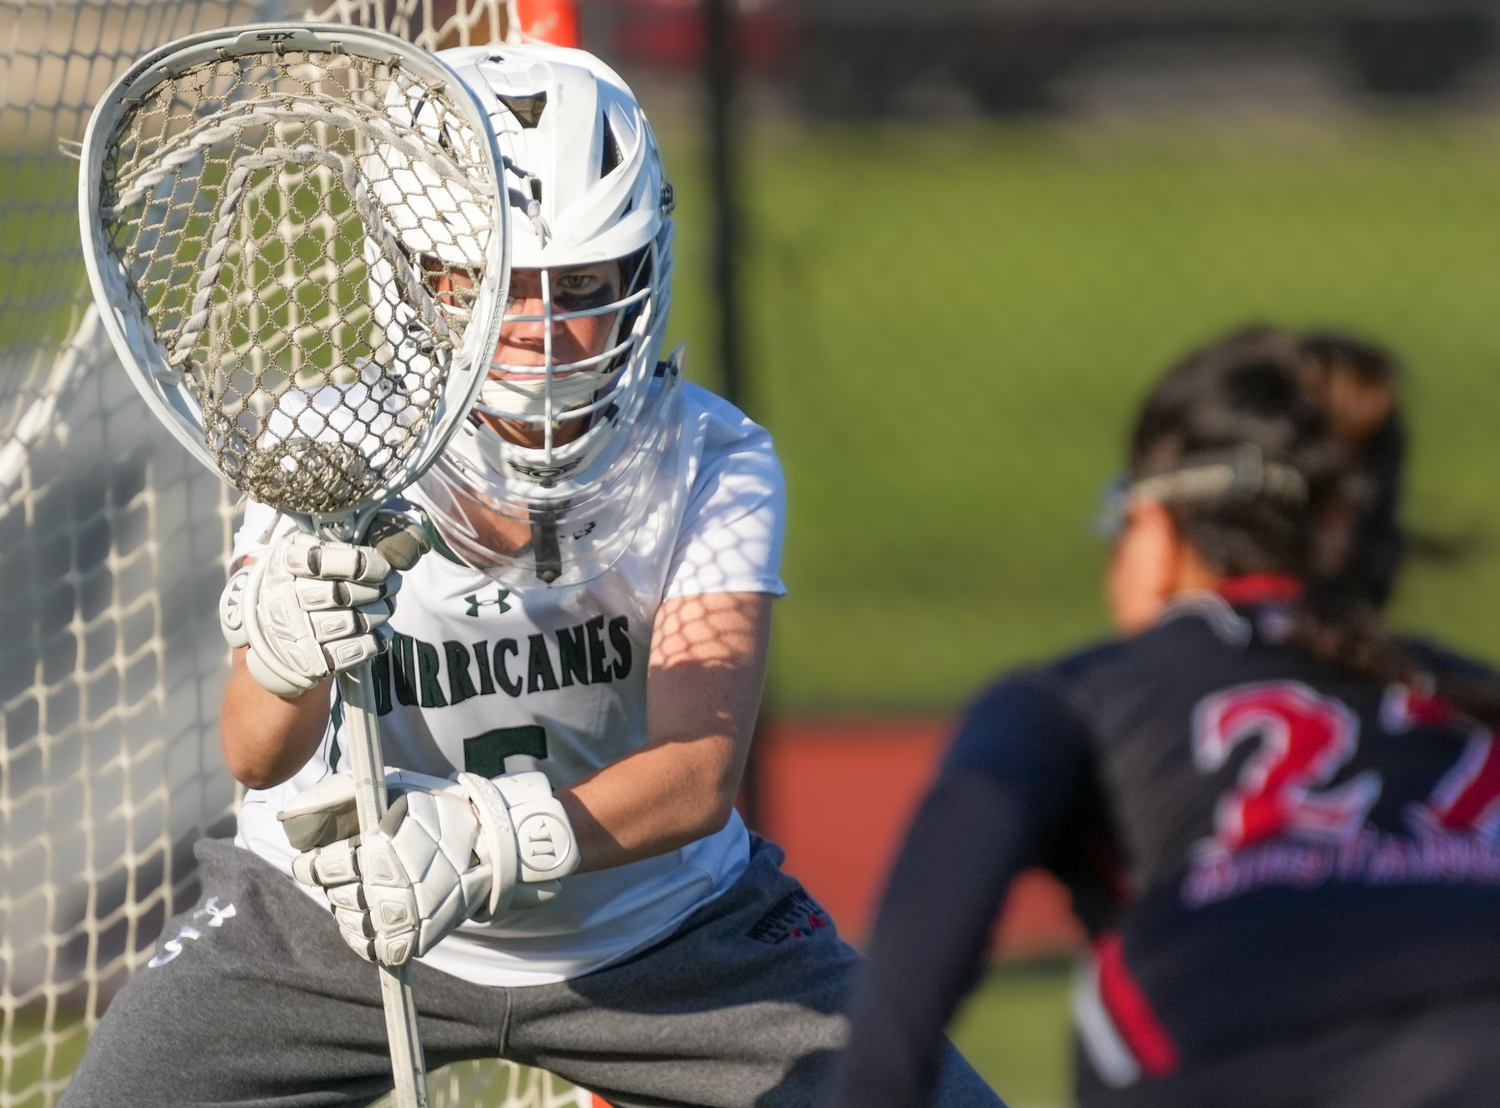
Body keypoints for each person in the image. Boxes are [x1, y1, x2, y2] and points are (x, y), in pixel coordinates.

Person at [61, 42, 1003, 1108]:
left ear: (643, 270)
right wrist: (282, 655)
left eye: (583, 288)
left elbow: (696, 776)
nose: (541, 337)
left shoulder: (713, 457)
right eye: (489, 285)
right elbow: (256, 752)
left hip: (654, 926)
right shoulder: (328, 437)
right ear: (411, 275)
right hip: (333, 918)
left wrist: (483, 837)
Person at [831, 327, 1500, 1108]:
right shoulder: (1470, 694)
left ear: (1156, 527)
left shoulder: (1082, 693)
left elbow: (910, 976)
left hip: (1234, 1057)